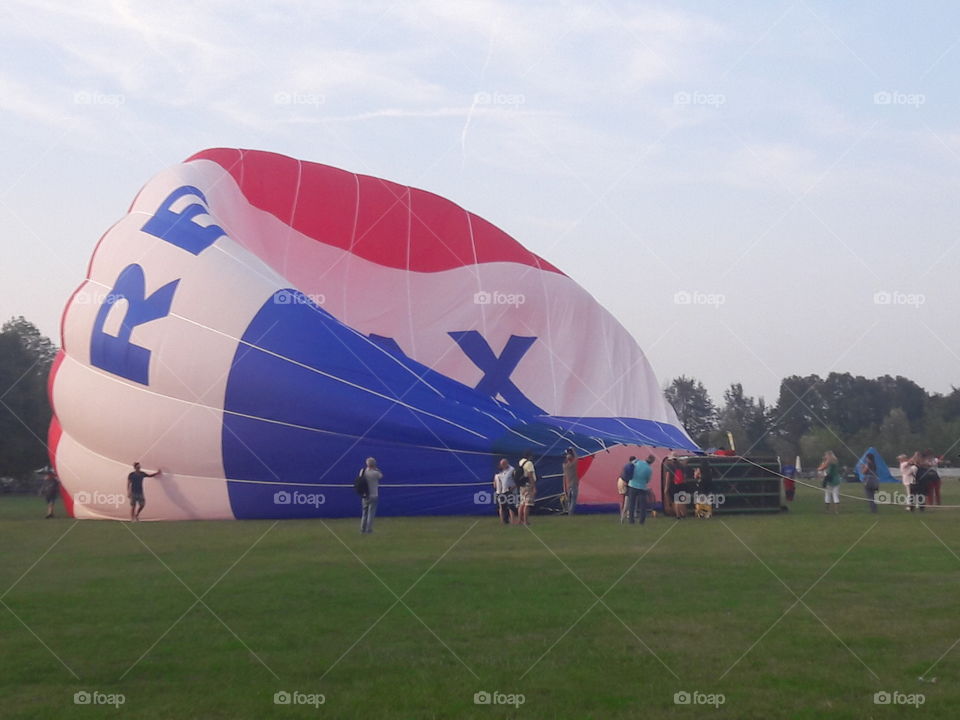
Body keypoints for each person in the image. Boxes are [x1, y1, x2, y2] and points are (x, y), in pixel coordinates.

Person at [627, 455, 655, 525]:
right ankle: (641, 521)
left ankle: (631, 520)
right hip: (642, 487)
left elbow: (630, 467)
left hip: (632, 485)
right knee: (643, 506)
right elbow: (648, 480)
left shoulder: (638, 462)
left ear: (646, 458)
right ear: (652, 462)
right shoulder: (649, 469)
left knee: (631, 504)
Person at [359, 457, 383, 533]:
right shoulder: (375, 473)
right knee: (371, 513)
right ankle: (369, 529)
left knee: (364, 513)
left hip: (365, 494)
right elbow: (381, 476)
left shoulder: (362, 471)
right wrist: (376, 469)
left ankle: (362, 529)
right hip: (373, 495)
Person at [494, 458, 518, 525]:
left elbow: (516, 479)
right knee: (502, 506)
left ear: (506, 463)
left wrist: (514, 487)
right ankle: (504, 521)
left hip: (510, 491)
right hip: (501, 491)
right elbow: (497, 482)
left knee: (511, 506)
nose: (502, 466)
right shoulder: (501, 471)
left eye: (503, 464)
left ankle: (513, 521)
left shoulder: (512, 470)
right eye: (501, 465)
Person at [516, 451, 537, 525]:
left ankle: (519, 520)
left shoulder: (521, 462)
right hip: (528, 485)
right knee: (527, 504)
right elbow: (530, 474)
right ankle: (525, 521)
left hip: (522, 485)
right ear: (529, 456)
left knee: (522, 503)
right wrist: (533, 486)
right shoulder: (529, 463)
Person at [618, 456, 636, 522]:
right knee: (627, 501)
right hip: (625, 483)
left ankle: (624, 517)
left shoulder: (627, 466)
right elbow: (627, 477)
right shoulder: (630, 467)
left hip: (622, 482)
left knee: (626, 501)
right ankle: (626, 516)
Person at [562, 449, 579, 515]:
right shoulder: (573, 465)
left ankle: (569, 512)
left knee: (569, 500)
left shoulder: (564, 466)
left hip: (568, 485)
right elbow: (577, 458)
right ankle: (570, 513)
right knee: (573, 500)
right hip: (574, 484)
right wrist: (573, 450)